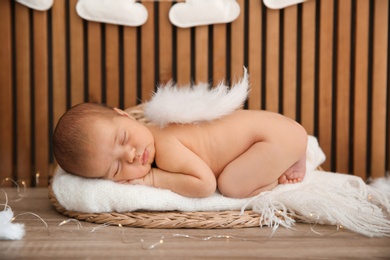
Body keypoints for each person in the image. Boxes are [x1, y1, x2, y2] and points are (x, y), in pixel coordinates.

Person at [53, 102, 308, 198]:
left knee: (231, 185)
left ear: (125, 116)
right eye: (117, 167)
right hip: (280, 128)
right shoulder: (158, 130)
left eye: (123, 138)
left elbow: (205, 184)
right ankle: (293, 152)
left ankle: (285, 165)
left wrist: (152, 179)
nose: (130, 154)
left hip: (272, 138)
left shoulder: (165, 146)